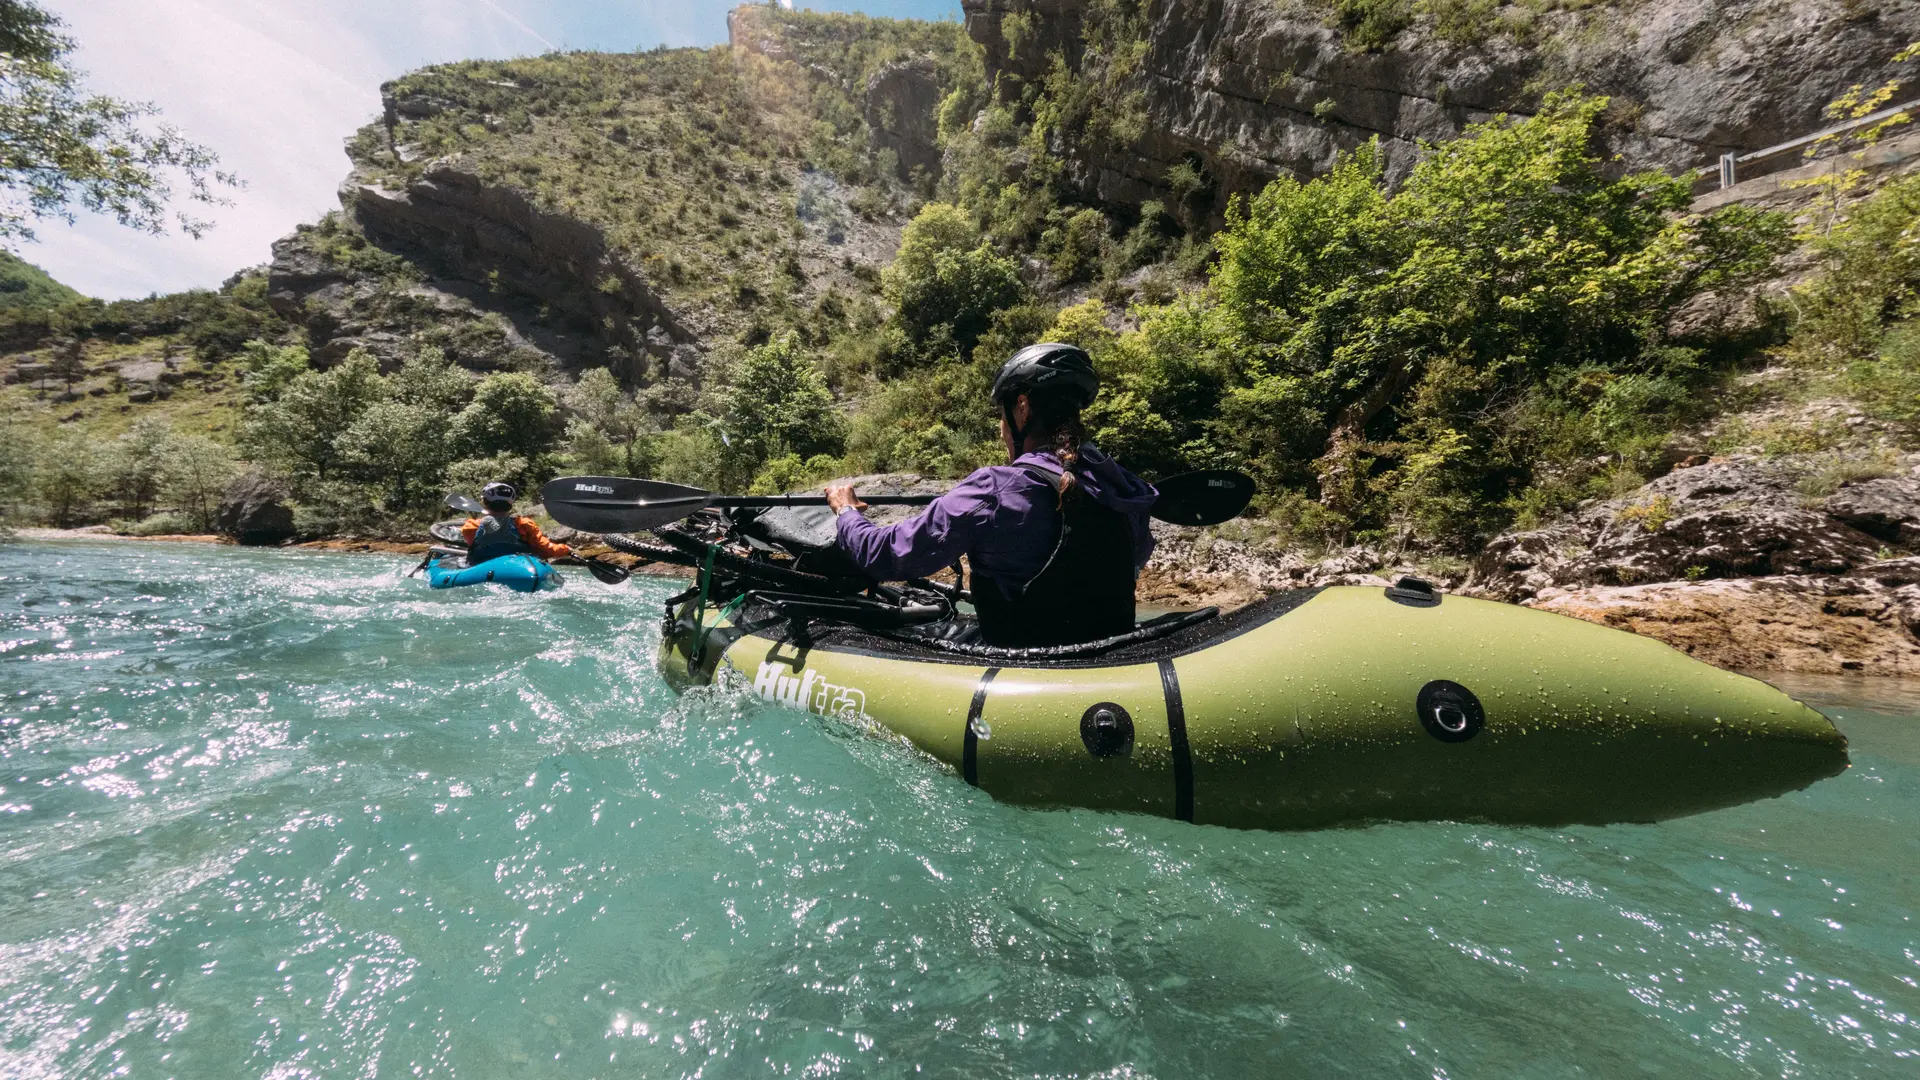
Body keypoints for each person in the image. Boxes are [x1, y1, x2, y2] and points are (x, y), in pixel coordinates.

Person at [825, 343, 1157, 647]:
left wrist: (847, 512)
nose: (1001, 430)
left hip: (1027, 664)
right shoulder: (1125, 488)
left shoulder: (994, 488)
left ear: (1023, 408)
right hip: (1110, 656)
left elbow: (885, 557)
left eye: (1002, 415)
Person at [461, 482, 573, 564]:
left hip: (483, 568)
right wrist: (565, 549)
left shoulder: (471, 527)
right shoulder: (524, 525)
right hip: (520, 567)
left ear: (485, 502)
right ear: (511, 504)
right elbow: (546, 550)